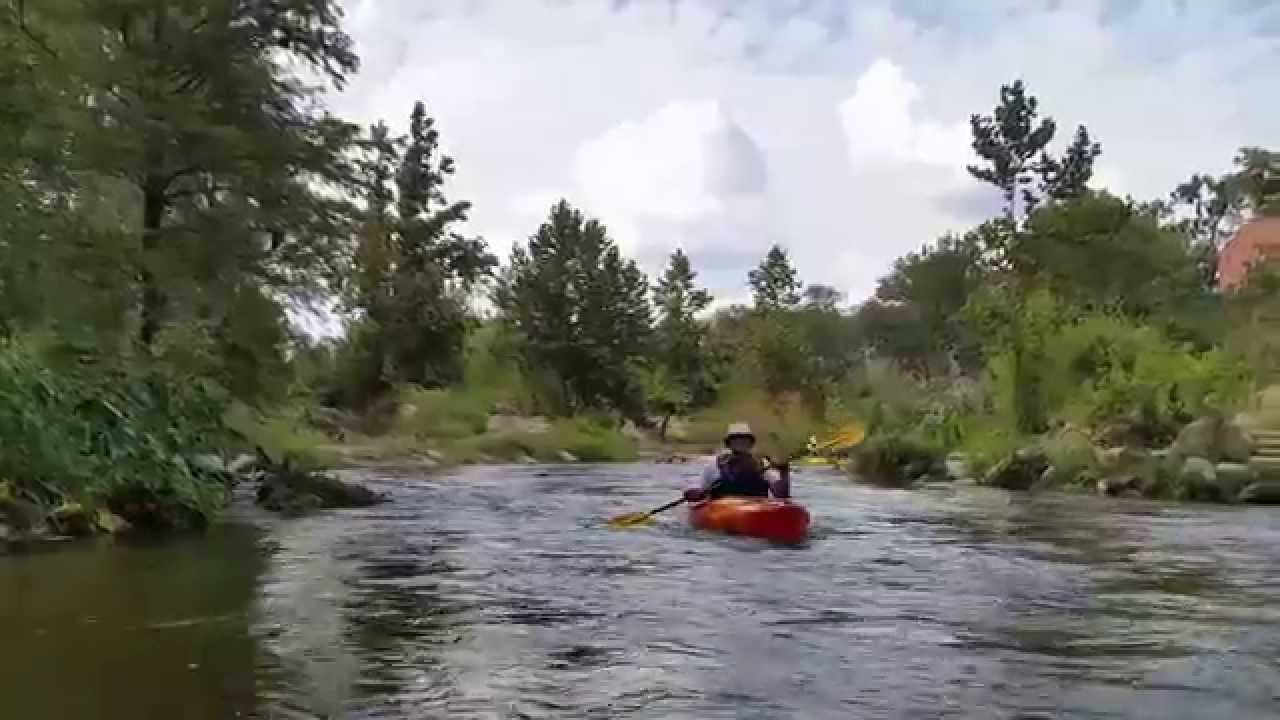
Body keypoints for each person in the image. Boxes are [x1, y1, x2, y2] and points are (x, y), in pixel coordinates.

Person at [683, 422, 791, 503]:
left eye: (745, 440)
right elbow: (698, 491)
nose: (741, 443)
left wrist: (784, 472)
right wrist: (694, 493)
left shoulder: (762, 464)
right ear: (729, 444)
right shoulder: (715, 465)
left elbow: (781, 495)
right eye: (736, 440)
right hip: (723, 508)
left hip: (755, 507)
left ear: (751, 444)